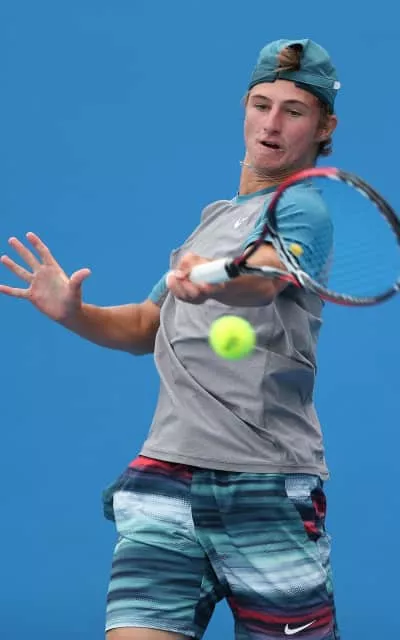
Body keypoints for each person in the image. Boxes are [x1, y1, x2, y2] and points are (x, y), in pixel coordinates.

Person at [0, 39, 340, 640]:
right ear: (245, 109)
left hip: (262, 485)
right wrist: (72, 313)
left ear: (323, 127)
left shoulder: (302, 209)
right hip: (166, 475)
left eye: (293, 111)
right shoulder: (213, 222)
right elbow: (143, 325)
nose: (271, 123)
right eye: (261, 105)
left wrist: (216, 281)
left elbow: (264, 278)